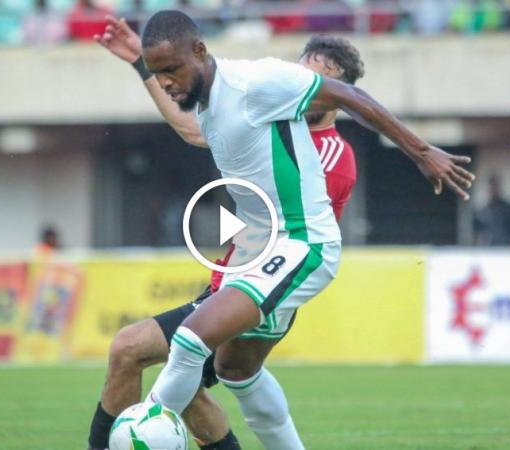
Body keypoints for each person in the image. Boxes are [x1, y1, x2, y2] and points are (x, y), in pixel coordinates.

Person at [95, 10, 474, 450]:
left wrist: (422, 152)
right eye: (160, 74)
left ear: (199, 51)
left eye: (170, 71)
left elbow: (352, 97)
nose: (166, 82)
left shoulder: (263, 88)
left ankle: (145, 430)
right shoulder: (215, 101)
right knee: (237, 370)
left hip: (299, 247)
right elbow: (190, 130)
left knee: (188, 342)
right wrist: (143, 66)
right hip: (257, 261)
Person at [87, 20, 363, 450]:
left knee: (135, 350)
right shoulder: (267, 121)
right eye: (304, 70)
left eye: (322, 78)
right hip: (232, 282)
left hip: (264, 284)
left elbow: (289, 227)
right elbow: (193, 129)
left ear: (335, 95)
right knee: (204, 379)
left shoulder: (327, 151)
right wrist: (144, 66)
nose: (306, 82)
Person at [474, 174, 510, 246]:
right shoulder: (482, 213)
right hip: (488, 252)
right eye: (492, 186)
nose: (494, 189)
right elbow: (477, 236)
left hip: (508, 250)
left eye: (496, 186)